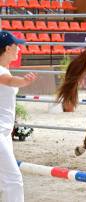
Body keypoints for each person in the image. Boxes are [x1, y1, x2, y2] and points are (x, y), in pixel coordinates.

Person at [0, 31, 37, 202]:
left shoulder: (4, 69)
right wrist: (24, 82)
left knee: (6, 180)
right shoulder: (2, 71)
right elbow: (8, 81)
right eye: (16, 45)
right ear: (7, 48)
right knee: (14, 179)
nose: (19, 48)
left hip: (5, 133)